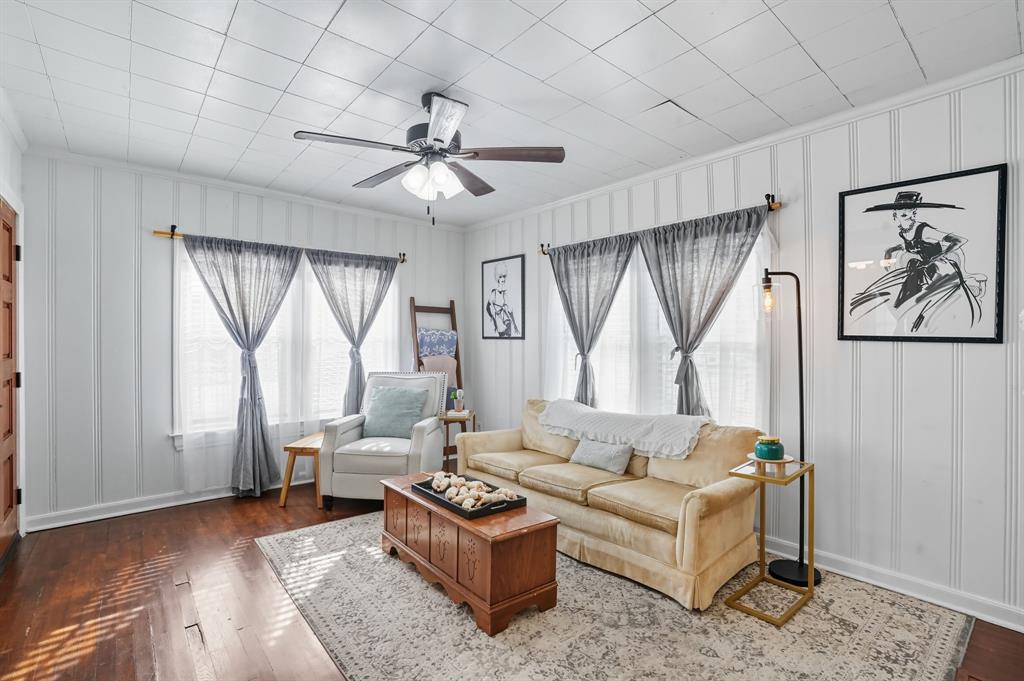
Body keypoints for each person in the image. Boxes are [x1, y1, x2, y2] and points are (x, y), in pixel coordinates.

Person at [850, 191, 986, 333]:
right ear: (894, 212)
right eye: (900, 208)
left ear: (914, 211)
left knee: (920, 301)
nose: (904, 211)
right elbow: (911, 245)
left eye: (908, 208)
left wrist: (938, 256)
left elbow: (959, 240)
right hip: (922, 269)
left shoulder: (924, 229)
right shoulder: (904, 231)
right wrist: (890, 250)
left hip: (940, 270)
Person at [486, 262, 520, 337]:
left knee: (508, 337)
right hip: (499, 320)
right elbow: (487, 307)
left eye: (504, 276)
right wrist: (492, 317)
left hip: (507, 319)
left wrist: (515, 325)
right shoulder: (494, 293)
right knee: (501, 337)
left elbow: (510, 311)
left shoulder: (505, 294)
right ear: (497, 278)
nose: (503, 278)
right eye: (500, 276)